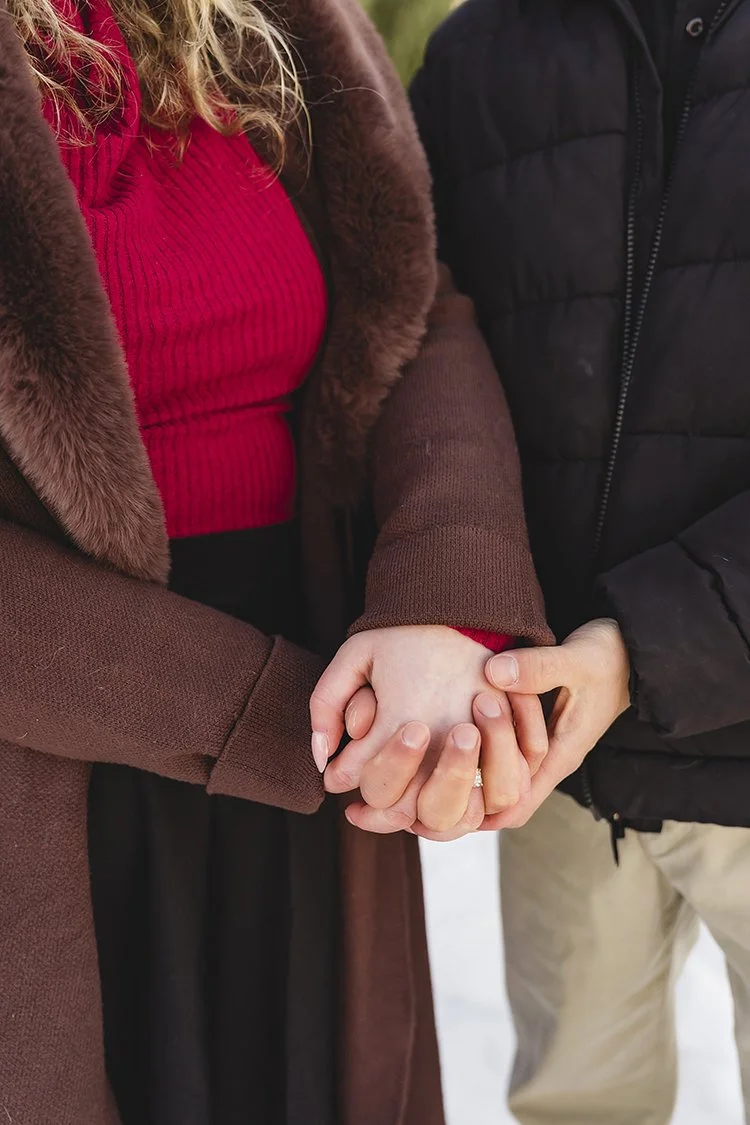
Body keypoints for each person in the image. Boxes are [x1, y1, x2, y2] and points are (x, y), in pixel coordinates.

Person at [0, 0, 554, 1122]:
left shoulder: (272, 22)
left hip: (320, 721)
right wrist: (289, 722)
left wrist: (443, 603)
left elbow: (410, 314)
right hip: (66, 732)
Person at [410, 1, 750, 1121]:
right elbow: (414, 347)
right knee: (575, 1103)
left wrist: (641, 648)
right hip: (558, 761)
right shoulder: (478, 52)